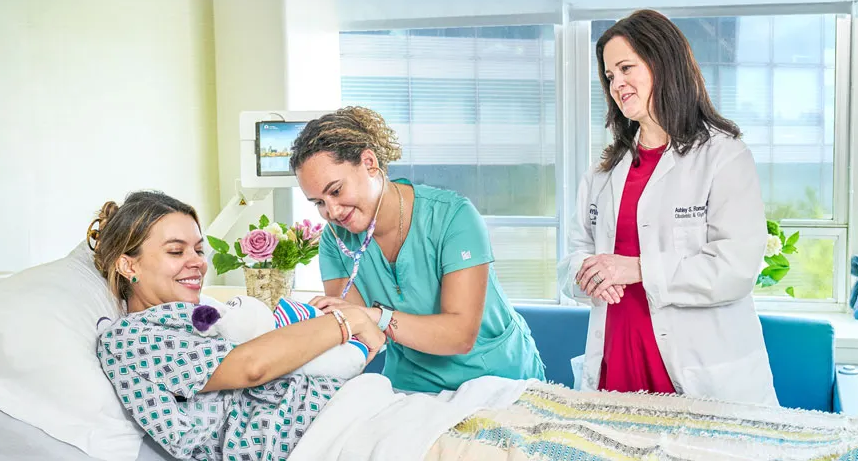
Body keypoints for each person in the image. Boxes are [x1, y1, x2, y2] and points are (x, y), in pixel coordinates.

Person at [559, 9, 778, 406]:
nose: (616, 84)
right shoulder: (603, 171)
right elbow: (575, 255)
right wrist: (586, 274)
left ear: (662, 61)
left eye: (626, 68)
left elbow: (736, 268)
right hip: (617, 365)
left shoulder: (723, 156)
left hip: (697, 372)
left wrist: (636, 268)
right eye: (609, 76)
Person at [90, 191, 386, 460]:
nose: (198, 263)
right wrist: (350, 320)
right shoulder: (129, 339)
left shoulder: (202, 314)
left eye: (198, 250)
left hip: (353, 414)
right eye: (176, 252)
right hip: (323, 439)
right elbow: (251, 366)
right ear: (129, 265)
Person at [289, 106, 546, 394]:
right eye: (318, 203)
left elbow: (460, 335)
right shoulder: (335, 240)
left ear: (369, 162)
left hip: (496, 378)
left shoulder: (454, 217)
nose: (332, 211)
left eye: (335, 191)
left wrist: (376, 316)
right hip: (412, 384)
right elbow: (357, 330)